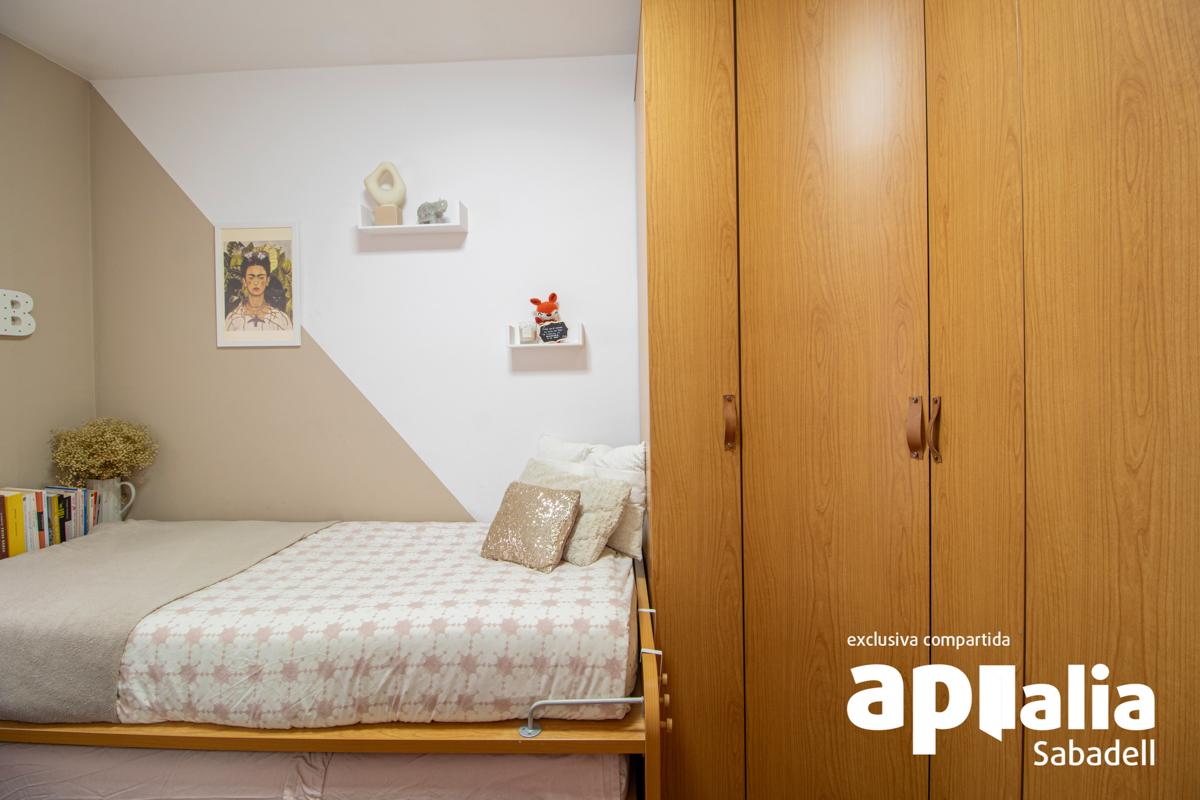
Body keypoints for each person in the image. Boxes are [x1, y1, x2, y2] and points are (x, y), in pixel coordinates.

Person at [224, 250, 292, 331]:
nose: (256, 282)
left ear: (267, 280)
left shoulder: (281, 320)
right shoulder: (232, 320)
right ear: (244, 281)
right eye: (251, 277)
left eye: (261, 277)